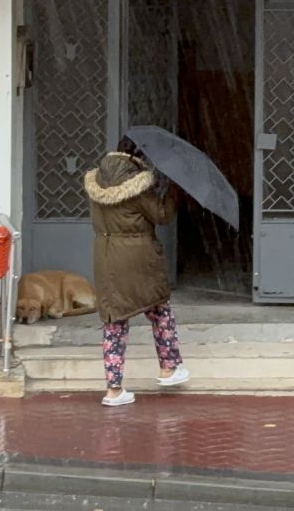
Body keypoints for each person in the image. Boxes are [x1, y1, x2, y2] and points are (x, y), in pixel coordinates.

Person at [83, 137, 190, 406]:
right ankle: (168, 369)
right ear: (138, 156)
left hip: (106, 257)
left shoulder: (96, 182)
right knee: (159, 309)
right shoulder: (139, 186)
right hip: (139, 257)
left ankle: (114, 390)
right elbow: (162, 215)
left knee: (114, 321)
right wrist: (175, 191)